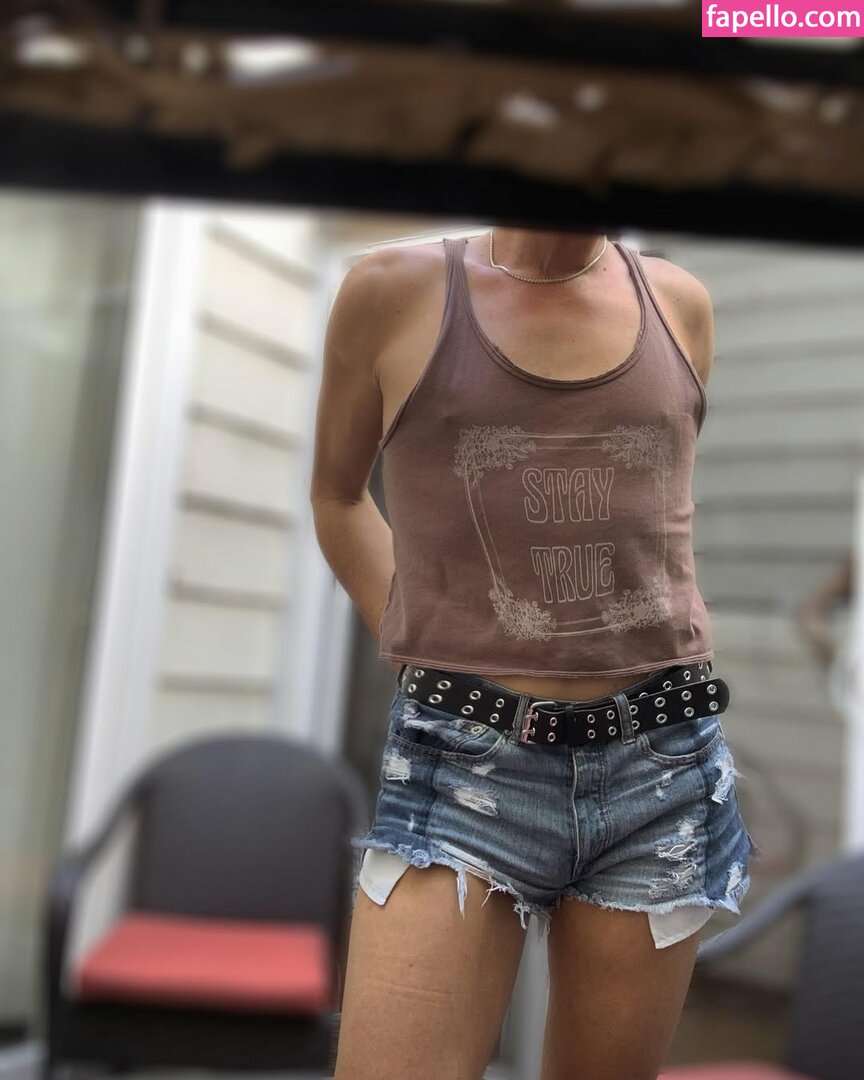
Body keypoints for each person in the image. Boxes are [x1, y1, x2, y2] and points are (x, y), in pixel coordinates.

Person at [311, 226, 759, 1080]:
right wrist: (419, 647)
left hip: (660, 770)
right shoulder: (393, 289)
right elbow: (337, 497)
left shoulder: (680, 304)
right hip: (461, 766)